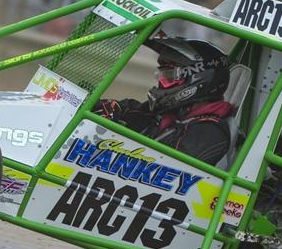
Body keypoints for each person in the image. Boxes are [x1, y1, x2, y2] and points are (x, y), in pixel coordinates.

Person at [95, 36, 233, 166]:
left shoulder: (209, 131)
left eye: (169, 77)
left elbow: (169, 168)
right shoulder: (174, 114)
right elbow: (133, 112)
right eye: (161, 76)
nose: (161, 83)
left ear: (200, 79)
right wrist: (109, 109)